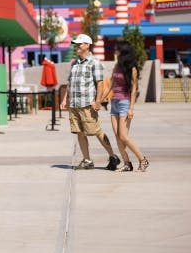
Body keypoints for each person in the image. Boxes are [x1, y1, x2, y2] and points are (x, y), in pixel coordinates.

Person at [61, 34, 120, 170]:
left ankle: (112, 156)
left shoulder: (94, 62)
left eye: (79, 44)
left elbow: (100, 84)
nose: (77, 46)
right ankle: (87, 160)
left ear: (87, 45)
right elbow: (70, 82)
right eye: (76, 44)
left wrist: (98, 102)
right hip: (75, 104)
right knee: (79, 132)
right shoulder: (74, 63)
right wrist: (65, 99)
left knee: (97, 132)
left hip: (87, 104)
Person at [108, 41, 150, 172]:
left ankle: (143, 160)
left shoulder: (132, 69)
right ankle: (127, 163)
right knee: (117, 135)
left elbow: (133, 89)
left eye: (118, 50)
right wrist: (99, 99)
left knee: (124, 136)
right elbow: (111, 84)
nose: (116, 52)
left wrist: (131, 108)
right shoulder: (117, 66)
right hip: (114, 102)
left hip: (124, 104)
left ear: (124, 52)